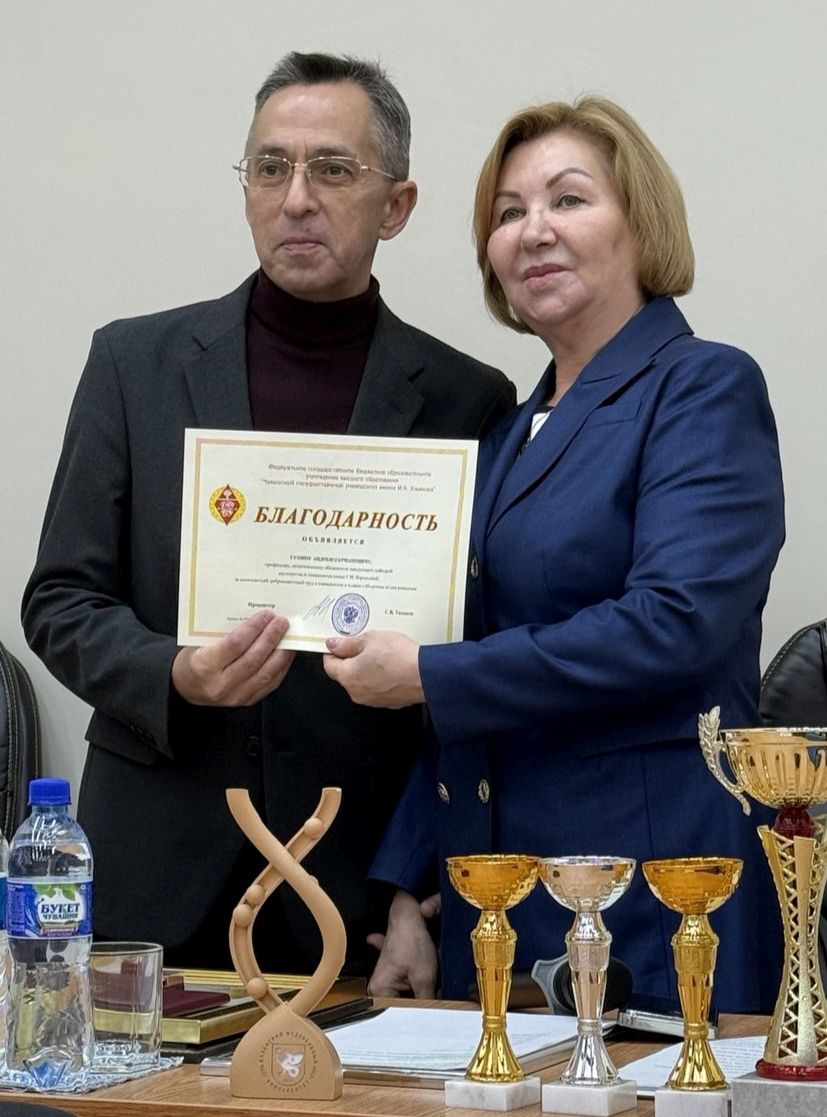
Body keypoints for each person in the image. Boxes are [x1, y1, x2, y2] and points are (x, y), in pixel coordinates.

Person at [21, 51, 514, 976]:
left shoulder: (467, 399)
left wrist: (415, 883)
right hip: (157, 867)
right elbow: (59, 600)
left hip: (358, 885)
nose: (296, 199)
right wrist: (175, 673)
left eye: (332, 169)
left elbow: (473, 663)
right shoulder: (133, 365)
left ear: (396, 205)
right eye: (269, 167)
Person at [324, 96, 785, 1011]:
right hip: (498, 890)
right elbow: (465, 670)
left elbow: (675, 623)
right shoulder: (504, 434)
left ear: (639, 223)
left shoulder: (702, 386)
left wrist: (427, 673)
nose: (532, 230)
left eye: (568, 199)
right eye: (507, 213)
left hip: (655, 887)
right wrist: (410, 889)